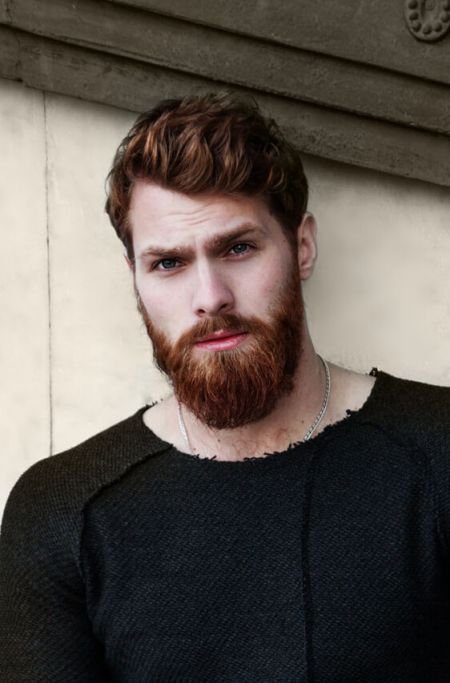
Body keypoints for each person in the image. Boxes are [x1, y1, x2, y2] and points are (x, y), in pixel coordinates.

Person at [0, 93, 449, 683]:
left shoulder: (437, 452)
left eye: (238, 248)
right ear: (135, 278)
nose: (210, 297)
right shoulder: (63, 510)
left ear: (301, 247)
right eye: (168, 263)